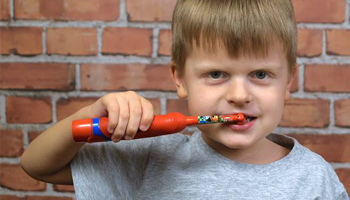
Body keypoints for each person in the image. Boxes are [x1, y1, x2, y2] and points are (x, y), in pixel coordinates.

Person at [21, 0, 349, 199]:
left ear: (289, 80)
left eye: (260, 74)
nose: (238, 95)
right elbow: (37, 165)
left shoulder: (314, 178)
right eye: (216, 74)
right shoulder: (152, 158)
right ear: (180, 78)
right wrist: (94, 115)